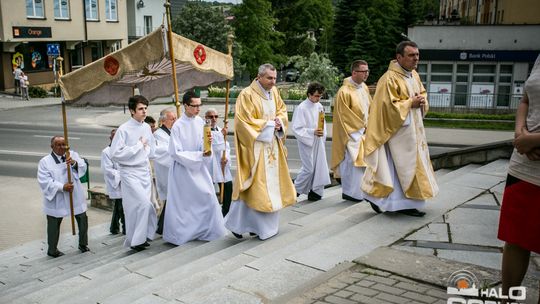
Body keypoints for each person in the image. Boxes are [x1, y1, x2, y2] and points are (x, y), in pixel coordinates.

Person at [361, 41, 438, 217]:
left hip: (413, 132)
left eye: (417, 55)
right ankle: (401, 204)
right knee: (397, 170)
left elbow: (422, 93)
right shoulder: (389, 79)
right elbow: (387, 107)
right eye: (411, 55)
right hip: (397, 135)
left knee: (408, 168)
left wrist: (422, 100)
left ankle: (396, 201)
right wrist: (411, 102)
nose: (416, 59)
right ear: (399, 57)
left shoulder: (414, 76)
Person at [224, 63, 296, 240]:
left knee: (269, 188)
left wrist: (279, 121)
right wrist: (270, 125)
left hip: (272, 146)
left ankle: (255, 227)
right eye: (270, 78)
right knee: (254, 187)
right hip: (255, 147)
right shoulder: (246, 95)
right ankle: (241, 225)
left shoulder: (274, 92)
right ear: (259, 76)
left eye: (275, 78)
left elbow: (282, 110)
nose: (273, 82)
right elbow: (243, 122)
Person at [497, 54, 540, 304]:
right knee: (515, 239)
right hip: (524, 167)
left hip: (528, 146)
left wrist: (532, 140)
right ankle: (507, 299)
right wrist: (519, 132)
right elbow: (525, 100)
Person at [163, 91, 227, 245]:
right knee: (185, 205)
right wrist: (199, 155)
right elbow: (175, 152)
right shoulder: (178, 125)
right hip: (183, 170)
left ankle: (207, 231)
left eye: (200, 105)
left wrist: (207, 143)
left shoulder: (200, 122)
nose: (198, 108)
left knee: (208, 197)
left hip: (199, 168)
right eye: (195, 105)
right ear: (186, 106)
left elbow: (203, 144)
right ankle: (183, 234)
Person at [110, 95, 157, 251]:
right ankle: (135, 240)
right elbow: (115, 154)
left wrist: (145, 149)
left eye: (145, 108)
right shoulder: (123, 129)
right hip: (129, 173)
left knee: (146, 205)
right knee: (138, 205)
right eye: (140, 109)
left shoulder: (145, 127)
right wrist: (138, 146)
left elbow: (151, 149)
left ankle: (142, 237)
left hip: (143, 171)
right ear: (131, 111)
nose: (144, 112)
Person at [37, 136, 90, 257]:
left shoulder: (71, 154)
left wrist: (74, 163)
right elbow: (44, 181)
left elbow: (83, 167)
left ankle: (83, 244)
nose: (62, 147)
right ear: (52, 147)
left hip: (74, 194)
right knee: (54, 223)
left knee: (82, 218)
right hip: (57, 197)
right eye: (59, 145)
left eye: (64, 144)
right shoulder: (45, 162)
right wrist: (62, 187)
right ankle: (52, 249)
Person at [331, 60, 374, 206]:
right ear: (354, 72)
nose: (366, 74)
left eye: (367, 71)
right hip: (351, 135)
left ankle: (360, 192)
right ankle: (351, 193)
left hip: (364, 133)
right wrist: (362, 128)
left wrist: (371, 125)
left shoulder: (364, 88)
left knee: (363, 165)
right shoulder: (344, 91)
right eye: (363, 71)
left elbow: (370, 108)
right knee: (352, 164)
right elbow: (345, 116)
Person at [291, 82, 331, 201]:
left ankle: (316, 191)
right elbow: (297, 128)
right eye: (316, 96)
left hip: (318, 141)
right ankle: (295, 190)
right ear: (309, 94)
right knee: (309, 168)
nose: (318, 98)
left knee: (319, 166)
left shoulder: (319, 106)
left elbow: (322, 124)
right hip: (306, 142)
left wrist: (322, 134)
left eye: (320, 96)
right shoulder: (301, 108)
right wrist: (312, 132)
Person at [204, 108, 233, 215]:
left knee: (228, 186)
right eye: (211, 117)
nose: (214, 119)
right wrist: (221, 135)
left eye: (216, 116)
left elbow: (227, 147)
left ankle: (226, 211)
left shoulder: (220, 130)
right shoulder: (205, 129)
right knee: (209, 189)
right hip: (210, 164)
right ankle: (210, 213)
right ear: (206, 118)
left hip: (221, 164)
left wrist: (226, 158)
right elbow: (212, 145)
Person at [154, 107, 177, 234]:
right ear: (163, 121)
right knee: (170, 200)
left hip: (173, 171)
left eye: (175, 118)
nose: (174, 121)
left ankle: (162, 226)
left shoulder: (172, 132)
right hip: (166, 171)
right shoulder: (158, 134)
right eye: (172, 119)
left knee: (172, 201)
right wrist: (176, 154)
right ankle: (162, 227)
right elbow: (160, 152)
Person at [101, 128, 125, 235]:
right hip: (116, 182)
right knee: (121, 206)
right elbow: (107, 169)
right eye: (114, 137)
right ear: (110, 138)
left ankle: (114, 227)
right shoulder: (106, 152)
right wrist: (122, 174)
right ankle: (126, 228)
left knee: (119, 206)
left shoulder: (124, 149)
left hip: (125, 181)